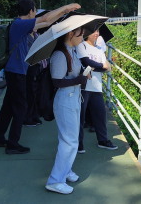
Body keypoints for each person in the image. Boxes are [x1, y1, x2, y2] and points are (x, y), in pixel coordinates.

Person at [0, 0, 80, 154]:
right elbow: (45, 19)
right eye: (35, 10)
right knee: (20, 108)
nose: (36, 12)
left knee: (8, 107)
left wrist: (64, 13)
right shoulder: (20, 24)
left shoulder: (18, 25)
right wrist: (65, 7)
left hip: (15, 71)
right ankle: (13, 144)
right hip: (17, 72)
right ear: (31, 11)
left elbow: (45, 23)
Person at [45, 27, 88, 195]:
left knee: (71, 138)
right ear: (71, 34)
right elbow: (56, 81)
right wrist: (79, 79)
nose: (82, 37)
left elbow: (73, 75)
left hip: (73, 98)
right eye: (80, 33)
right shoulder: (59, 55)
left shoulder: (72, 51)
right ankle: (55, 180)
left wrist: (82, 76)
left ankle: (66, 170)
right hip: (65, 100)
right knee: (68, 140)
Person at [76, 29, 118, 153]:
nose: (97, 34)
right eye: (94, 31)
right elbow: (85, 61)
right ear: (87, 33)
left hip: (96, 87)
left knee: (100, 114)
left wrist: (94, 67)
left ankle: (103, 140)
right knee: (80, 116)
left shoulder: (99, 49)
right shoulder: (81, 45)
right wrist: (100, 66)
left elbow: (107, 68)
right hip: (83, 87)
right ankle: (79, 143)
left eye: (98, 31)